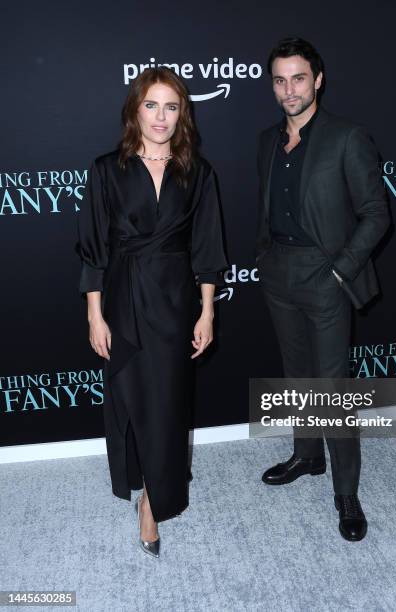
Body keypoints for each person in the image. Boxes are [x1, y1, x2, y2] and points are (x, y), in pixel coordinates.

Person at [75, 67, 228, 558]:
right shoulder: (106, 169)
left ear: (182, 113)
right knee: (129, 397)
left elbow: (207, 249)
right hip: (121, 297)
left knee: (166, 403)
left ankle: (154, 503)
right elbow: (94, 249)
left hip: (175, 301)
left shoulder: (198, 172)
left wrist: (206, 312)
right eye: (151, 105)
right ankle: (139, 479)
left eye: (171, 106)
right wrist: (95, 316)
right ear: (134, 110)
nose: (161, 116)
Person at [256, 38, 390, 541]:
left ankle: (346, 493)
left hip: (326, 275)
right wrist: (264, 260)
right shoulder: (266, 140)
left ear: (318, 80)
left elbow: (377, 215)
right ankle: (308, 456)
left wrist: (339, 271)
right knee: (297, 375)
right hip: (278, 272)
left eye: (298, 78)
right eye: (279, 80)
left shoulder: (346, 137)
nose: (289, 89)